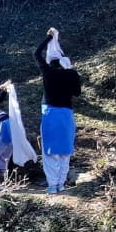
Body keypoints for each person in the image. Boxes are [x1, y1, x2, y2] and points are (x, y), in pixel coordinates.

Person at [35, 28, 82, 193]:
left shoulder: (48, 72)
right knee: (64, 151)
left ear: (50, 60)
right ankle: (61, 183)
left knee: (50, 152)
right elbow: (77, 92)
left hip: (50, 114)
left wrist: (49, 38)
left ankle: (52, 185)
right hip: (66, 115)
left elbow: (36, 53)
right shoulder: (72, 74)